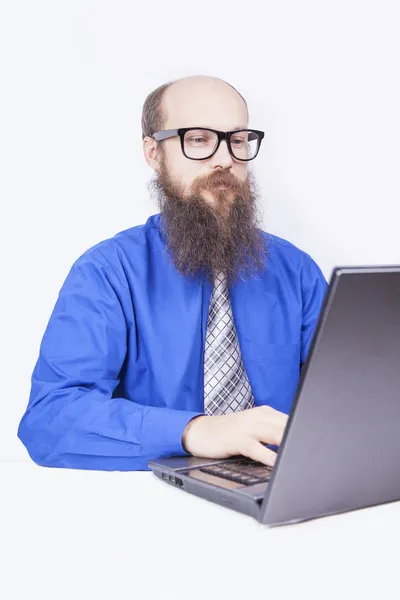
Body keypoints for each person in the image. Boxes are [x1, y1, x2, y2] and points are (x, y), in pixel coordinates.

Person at [17, 75, 328, 471]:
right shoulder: (107, 273)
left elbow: (347, 394)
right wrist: (194, 431)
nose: (225, 159)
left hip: (284, 489)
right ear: (153, 152)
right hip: (155, 504)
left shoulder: (296, 271)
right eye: (198, 139)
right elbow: (50, 420)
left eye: (237, 140)